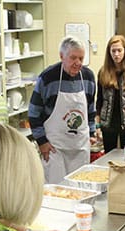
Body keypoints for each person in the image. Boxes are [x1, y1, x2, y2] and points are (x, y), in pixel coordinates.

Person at [29, 36, 98, 183]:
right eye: (73, 58)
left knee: (80, 190)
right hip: (55, 149)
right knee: (56, 192)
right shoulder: (48, 78)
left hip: (80, 148)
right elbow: (34, 113)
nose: (78, 63)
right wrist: (42, 142)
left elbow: (91, 109)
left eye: (81, 58)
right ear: (62, 56)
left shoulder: (88, 77)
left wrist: (92, 133)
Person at [96, 35, 125, 153]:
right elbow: (99, 100)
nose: (116, 54)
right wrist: (97, 126)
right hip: (108, 123)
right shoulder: (103, 72)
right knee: (109, 156)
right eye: (113, 51)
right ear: (109, 52)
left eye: (119, 50)